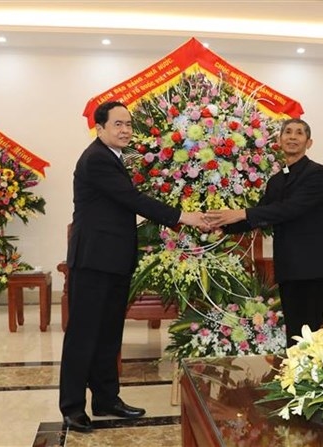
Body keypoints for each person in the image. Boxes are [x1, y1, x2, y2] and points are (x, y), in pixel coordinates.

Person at [60, 101, 210, 433]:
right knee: (84, 335)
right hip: (93, 261)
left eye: (128, 124)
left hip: (113, 259)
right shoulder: (97, 159)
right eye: (118, 124)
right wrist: (183, 216)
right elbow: (133, 201)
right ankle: (72, 407)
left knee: (109, 332)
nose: (126, 129)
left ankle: (105, 399)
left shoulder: (114, 158)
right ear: (99, 128)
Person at [205, 118, 323, 346]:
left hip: (315, 268)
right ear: (279, 141)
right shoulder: (277, 180)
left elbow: (290, 209)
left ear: (309, 142)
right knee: (296, 336)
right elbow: (262, 214)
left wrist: (240, 213)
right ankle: (296, 379)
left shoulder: (317, 173)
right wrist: (219, 223)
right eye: (287, 132)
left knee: (322, 338)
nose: (292, 137)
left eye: (299, 133)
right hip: (289, 268)